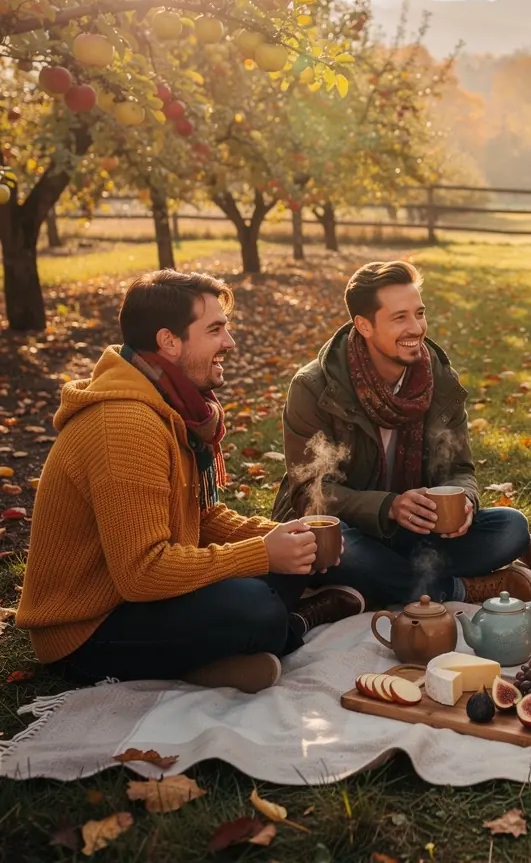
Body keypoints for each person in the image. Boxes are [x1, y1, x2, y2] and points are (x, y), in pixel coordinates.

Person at [16, 271, 363, 695]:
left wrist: (278, 536)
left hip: (142, 600)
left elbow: (201, 517)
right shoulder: (125, 424)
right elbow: (141, 574)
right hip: (88, 627)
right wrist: (260, 555)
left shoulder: (170, 402)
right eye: (215, 330)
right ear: (169, 342)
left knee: (295, 553)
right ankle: (290, 625)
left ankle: (228, 653)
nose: (230, 343)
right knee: (257, 610)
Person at [272, 260, 531, 605]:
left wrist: (464, 502)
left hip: (414, 530)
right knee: (338, 548)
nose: (416, 328)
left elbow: (459, 469)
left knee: (511, 528)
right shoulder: (314, 387)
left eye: (420, 313)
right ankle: (455, 589)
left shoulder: (439, 379)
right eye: (400, 318)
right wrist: (389, 507)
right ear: (364, 326)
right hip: (346, 528)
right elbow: (311, 493)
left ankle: (371, 585)